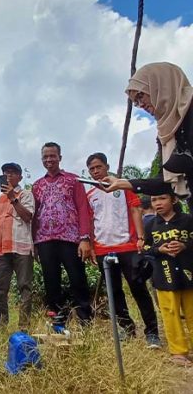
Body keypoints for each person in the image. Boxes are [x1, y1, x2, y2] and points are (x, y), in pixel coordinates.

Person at [86, 153, 160, 347]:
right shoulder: (90, 195)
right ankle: (127, 328)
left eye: (98, 167)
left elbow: (136, 210)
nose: (95, 171)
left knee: (138, 288)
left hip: (128, 245)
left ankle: (152, 332)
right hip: (103, 249)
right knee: (114, 291)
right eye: (92, 169)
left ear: (107, 166)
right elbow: (91, 222)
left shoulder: (123, 188)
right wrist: (93, 247)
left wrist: (141, 238)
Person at [103, 63, 193, 204]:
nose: (141, 104)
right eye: (136, 103)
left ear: (161, 86)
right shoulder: (166, 132)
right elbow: (165, 180)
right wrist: (123, 183)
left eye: (140, 96)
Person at [32, 142, 93, 324]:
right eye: (45, 157)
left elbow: (83, 209)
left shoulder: (73, 180)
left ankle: (84, 318)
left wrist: (85, 238)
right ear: (42, 159)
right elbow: (35, 216)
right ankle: (58, 318)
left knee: (77, 277)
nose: (49, 159)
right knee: (51, 280)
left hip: (70, 237)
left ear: (60, 157)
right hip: (44, 239)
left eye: (52, 156)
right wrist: (34, 243)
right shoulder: (37, 185)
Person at [143, 189, 193, 365]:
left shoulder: (187, 220)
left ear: (173, 200)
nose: (157, 203)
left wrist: (184, 245)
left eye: (162, 198)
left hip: (189, 275)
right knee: (170, 314)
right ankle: (178, 352)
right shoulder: (149, 226)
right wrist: (159, 250)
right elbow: (144, 249)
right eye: (154, 199)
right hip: (164, 276)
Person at [0, 162, 35, 330]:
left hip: (21, 248)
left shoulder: (26, 194)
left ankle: (24, 326)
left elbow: (28, 217)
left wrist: (12, 198)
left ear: (20, 177)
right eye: (5, 173)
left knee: (25, 287)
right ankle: (0, 327)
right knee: (0, 289)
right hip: (0, 250)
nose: (9, 176)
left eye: (13, 173)